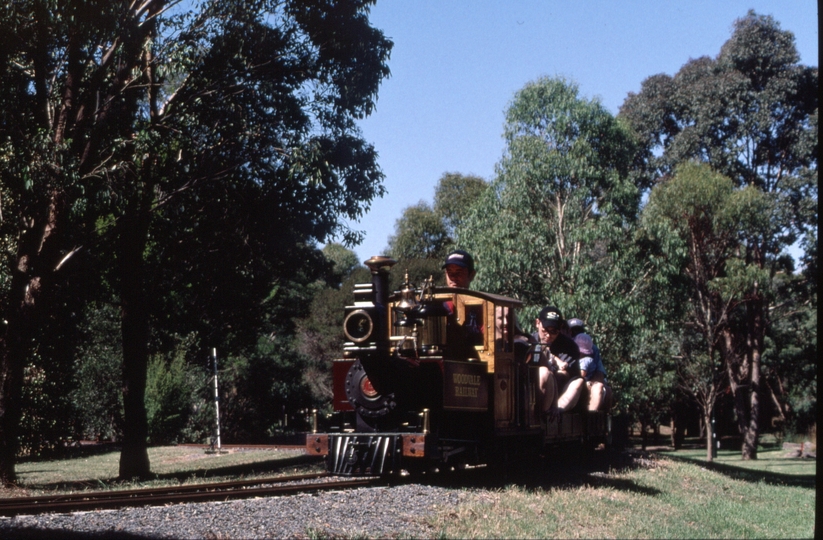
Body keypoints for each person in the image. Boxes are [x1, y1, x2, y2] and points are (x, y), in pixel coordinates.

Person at [529, 306, 584, 421]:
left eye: (554, 332)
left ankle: (557, 409)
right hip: (533, 391)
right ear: (537, 323)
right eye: (545, 330)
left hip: (559, 392)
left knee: (578, 382)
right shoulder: (529, 341)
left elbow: (565, 376)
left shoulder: (569, 346)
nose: (548, 335)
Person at [568, 319, 612, 411]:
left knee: (604, 390)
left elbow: (599, 373)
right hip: (569, 383)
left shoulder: (591, 348)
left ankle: (592, 418)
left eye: (579, 331)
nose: (576, 334)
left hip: (586, 381)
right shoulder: (564, 344)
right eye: (573, 331)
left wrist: (588, 383)